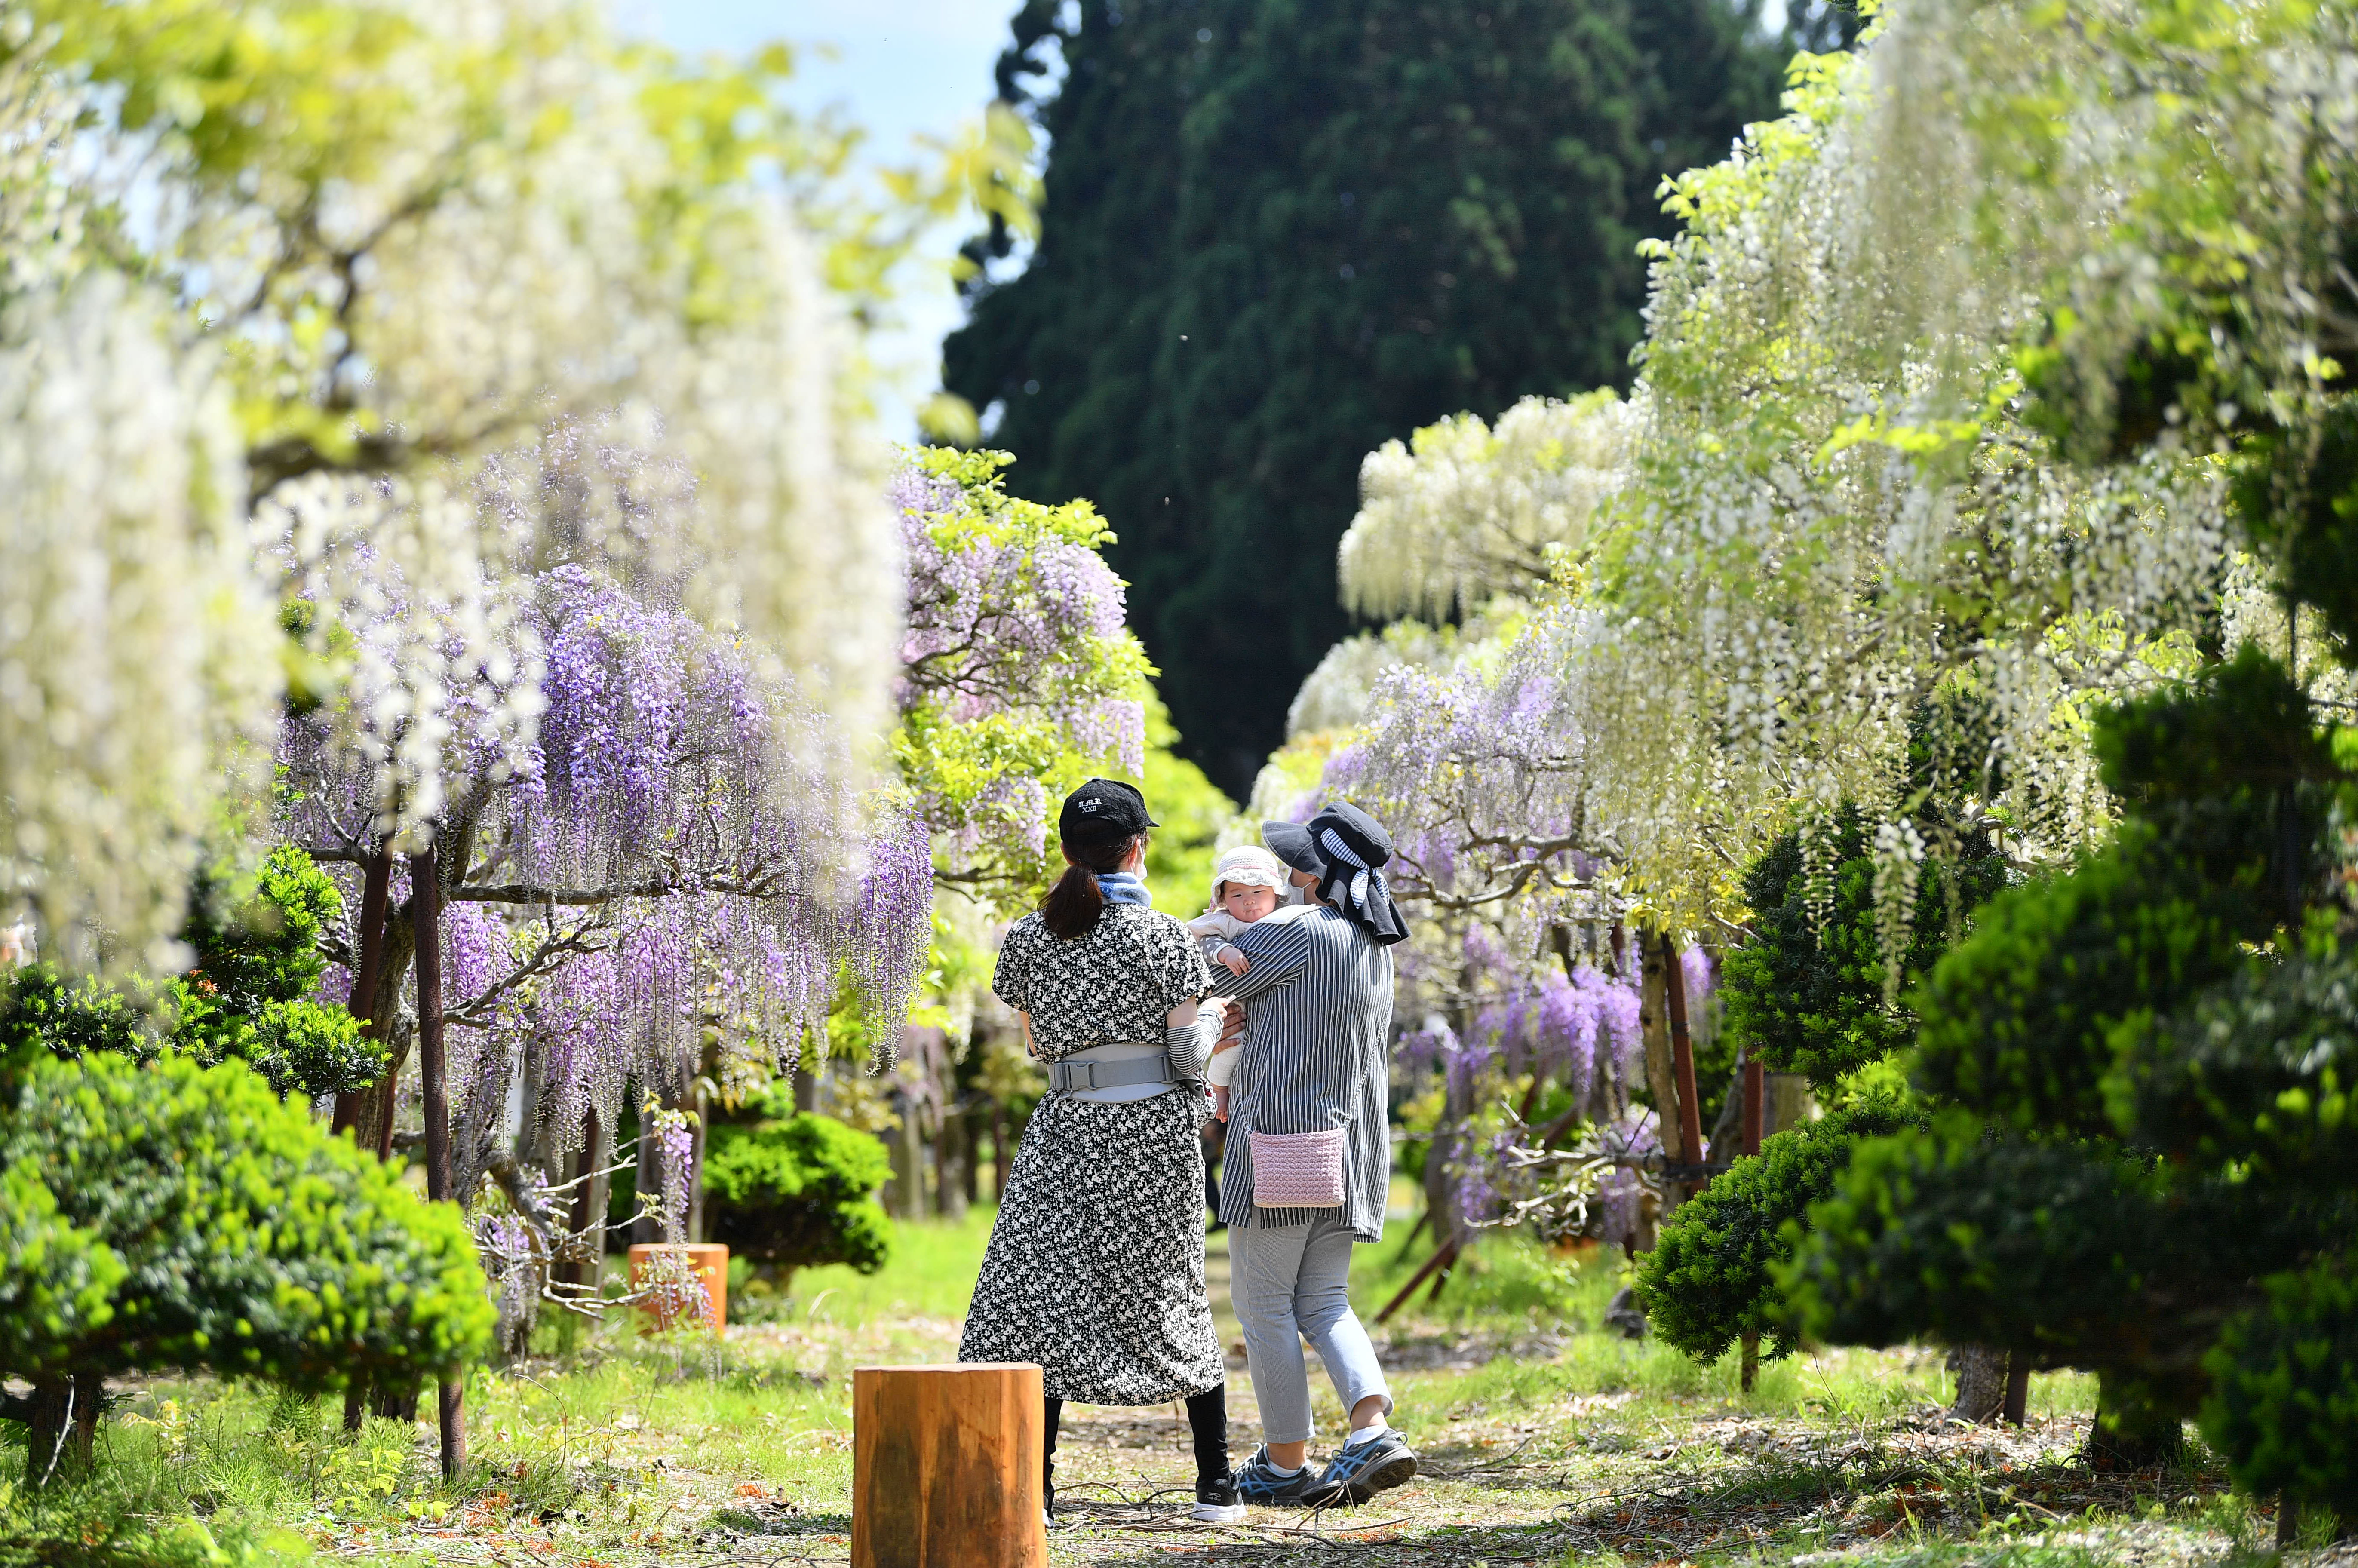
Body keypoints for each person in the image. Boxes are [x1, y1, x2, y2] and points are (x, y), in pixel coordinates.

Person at [958, 779, 1244, 1525]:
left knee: (1040, 1299)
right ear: (1137, 849)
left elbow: (1036, 1045)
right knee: (1169, 1290)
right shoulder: (1163, 939)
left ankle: (1035, 1491)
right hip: (1153, 1137)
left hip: (1066, 1130)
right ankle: (1215, 1485)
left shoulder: (1026, 937)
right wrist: (1215, 1014)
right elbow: (1186, 1057)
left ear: (1064, 851)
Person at [1208, 802, 1417, 1508]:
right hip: (1353, 1151)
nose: (1289, 869)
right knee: (1323, 1298)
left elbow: (1194, 991)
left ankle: (1284, 1463)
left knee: (1262, 1305)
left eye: (1301, 860)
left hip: (1286, 1147)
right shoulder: (1374, 939)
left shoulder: (1294, 931)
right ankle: (1370, 1428)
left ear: (1320, 872)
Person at [1186, 846, 1293, 1122]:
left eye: (1258, 892)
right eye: (1237, 894)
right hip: (1233, 1006)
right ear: (1222, 898)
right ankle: (1219, 1089)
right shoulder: (1225, 923)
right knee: (1233, 1045)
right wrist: (1225, 953)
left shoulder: (1287, 920)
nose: (1249, 901)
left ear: (1275, 892)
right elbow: (1207, 944)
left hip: (1269, 1015)